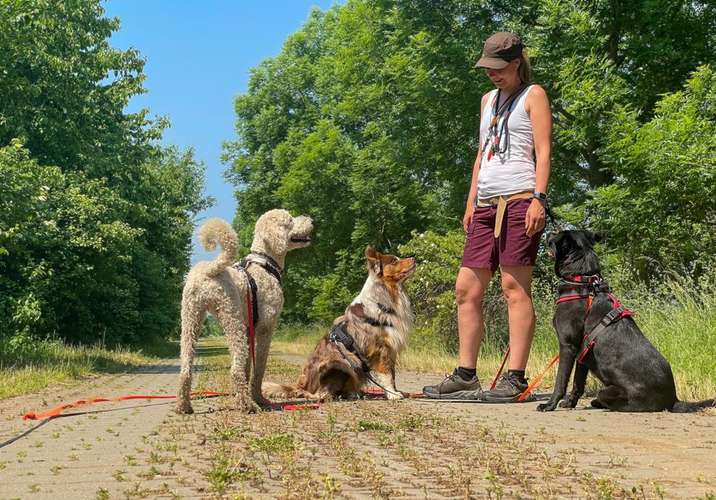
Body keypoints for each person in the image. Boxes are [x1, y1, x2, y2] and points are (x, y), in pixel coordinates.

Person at [423, 32, 552, 402]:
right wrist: (470, 200)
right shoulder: (486, 101)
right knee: (466, 288)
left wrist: (538, 200)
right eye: (487, 69)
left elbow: (543, 152)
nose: (491, 75)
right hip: (485, 204)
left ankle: (515, 379)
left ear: (515, 63)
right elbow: (482, 154)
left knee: (514, 288)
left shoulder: (534, 96)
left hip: (520, 200)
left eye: (498, 68)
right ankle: (466, 374)